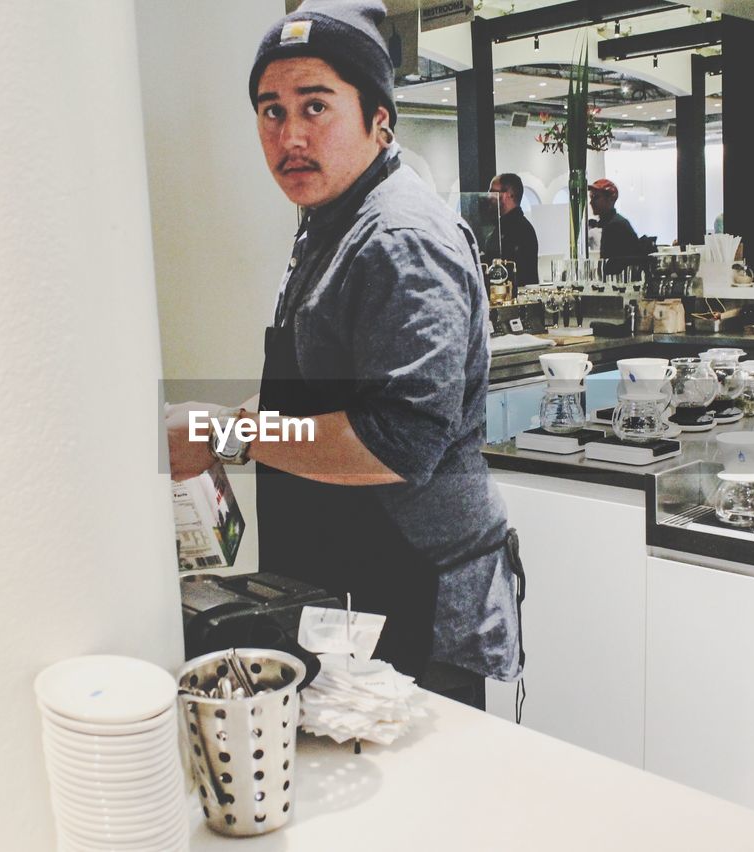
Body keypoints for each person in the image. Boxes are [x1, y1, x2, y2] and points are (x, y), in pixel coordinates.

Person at [164, 0, 523, 687]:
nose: (290, 134)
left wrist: (218, 434)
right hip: (348, 587)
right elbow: (320, 394)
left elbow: (397, 440)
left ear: (378, 119)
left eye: (316, 106)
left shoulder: (399, 238)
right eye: (271, 111)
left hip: (412, 597)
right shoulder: (331, 220)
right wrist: (220, 426)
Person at [488, 173, 539, 286]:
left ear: (508, 195)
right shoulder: (502, 226)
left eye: (493, 192)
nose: (489, 196)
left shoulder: (522, 230)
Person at [586, 178, 642, 274]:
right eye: (591, 197)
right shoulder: (615, 223)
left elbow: (611, 270)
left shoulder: (615, 226)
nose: (591, 202)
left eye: (596, 197)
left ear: (610, 199)